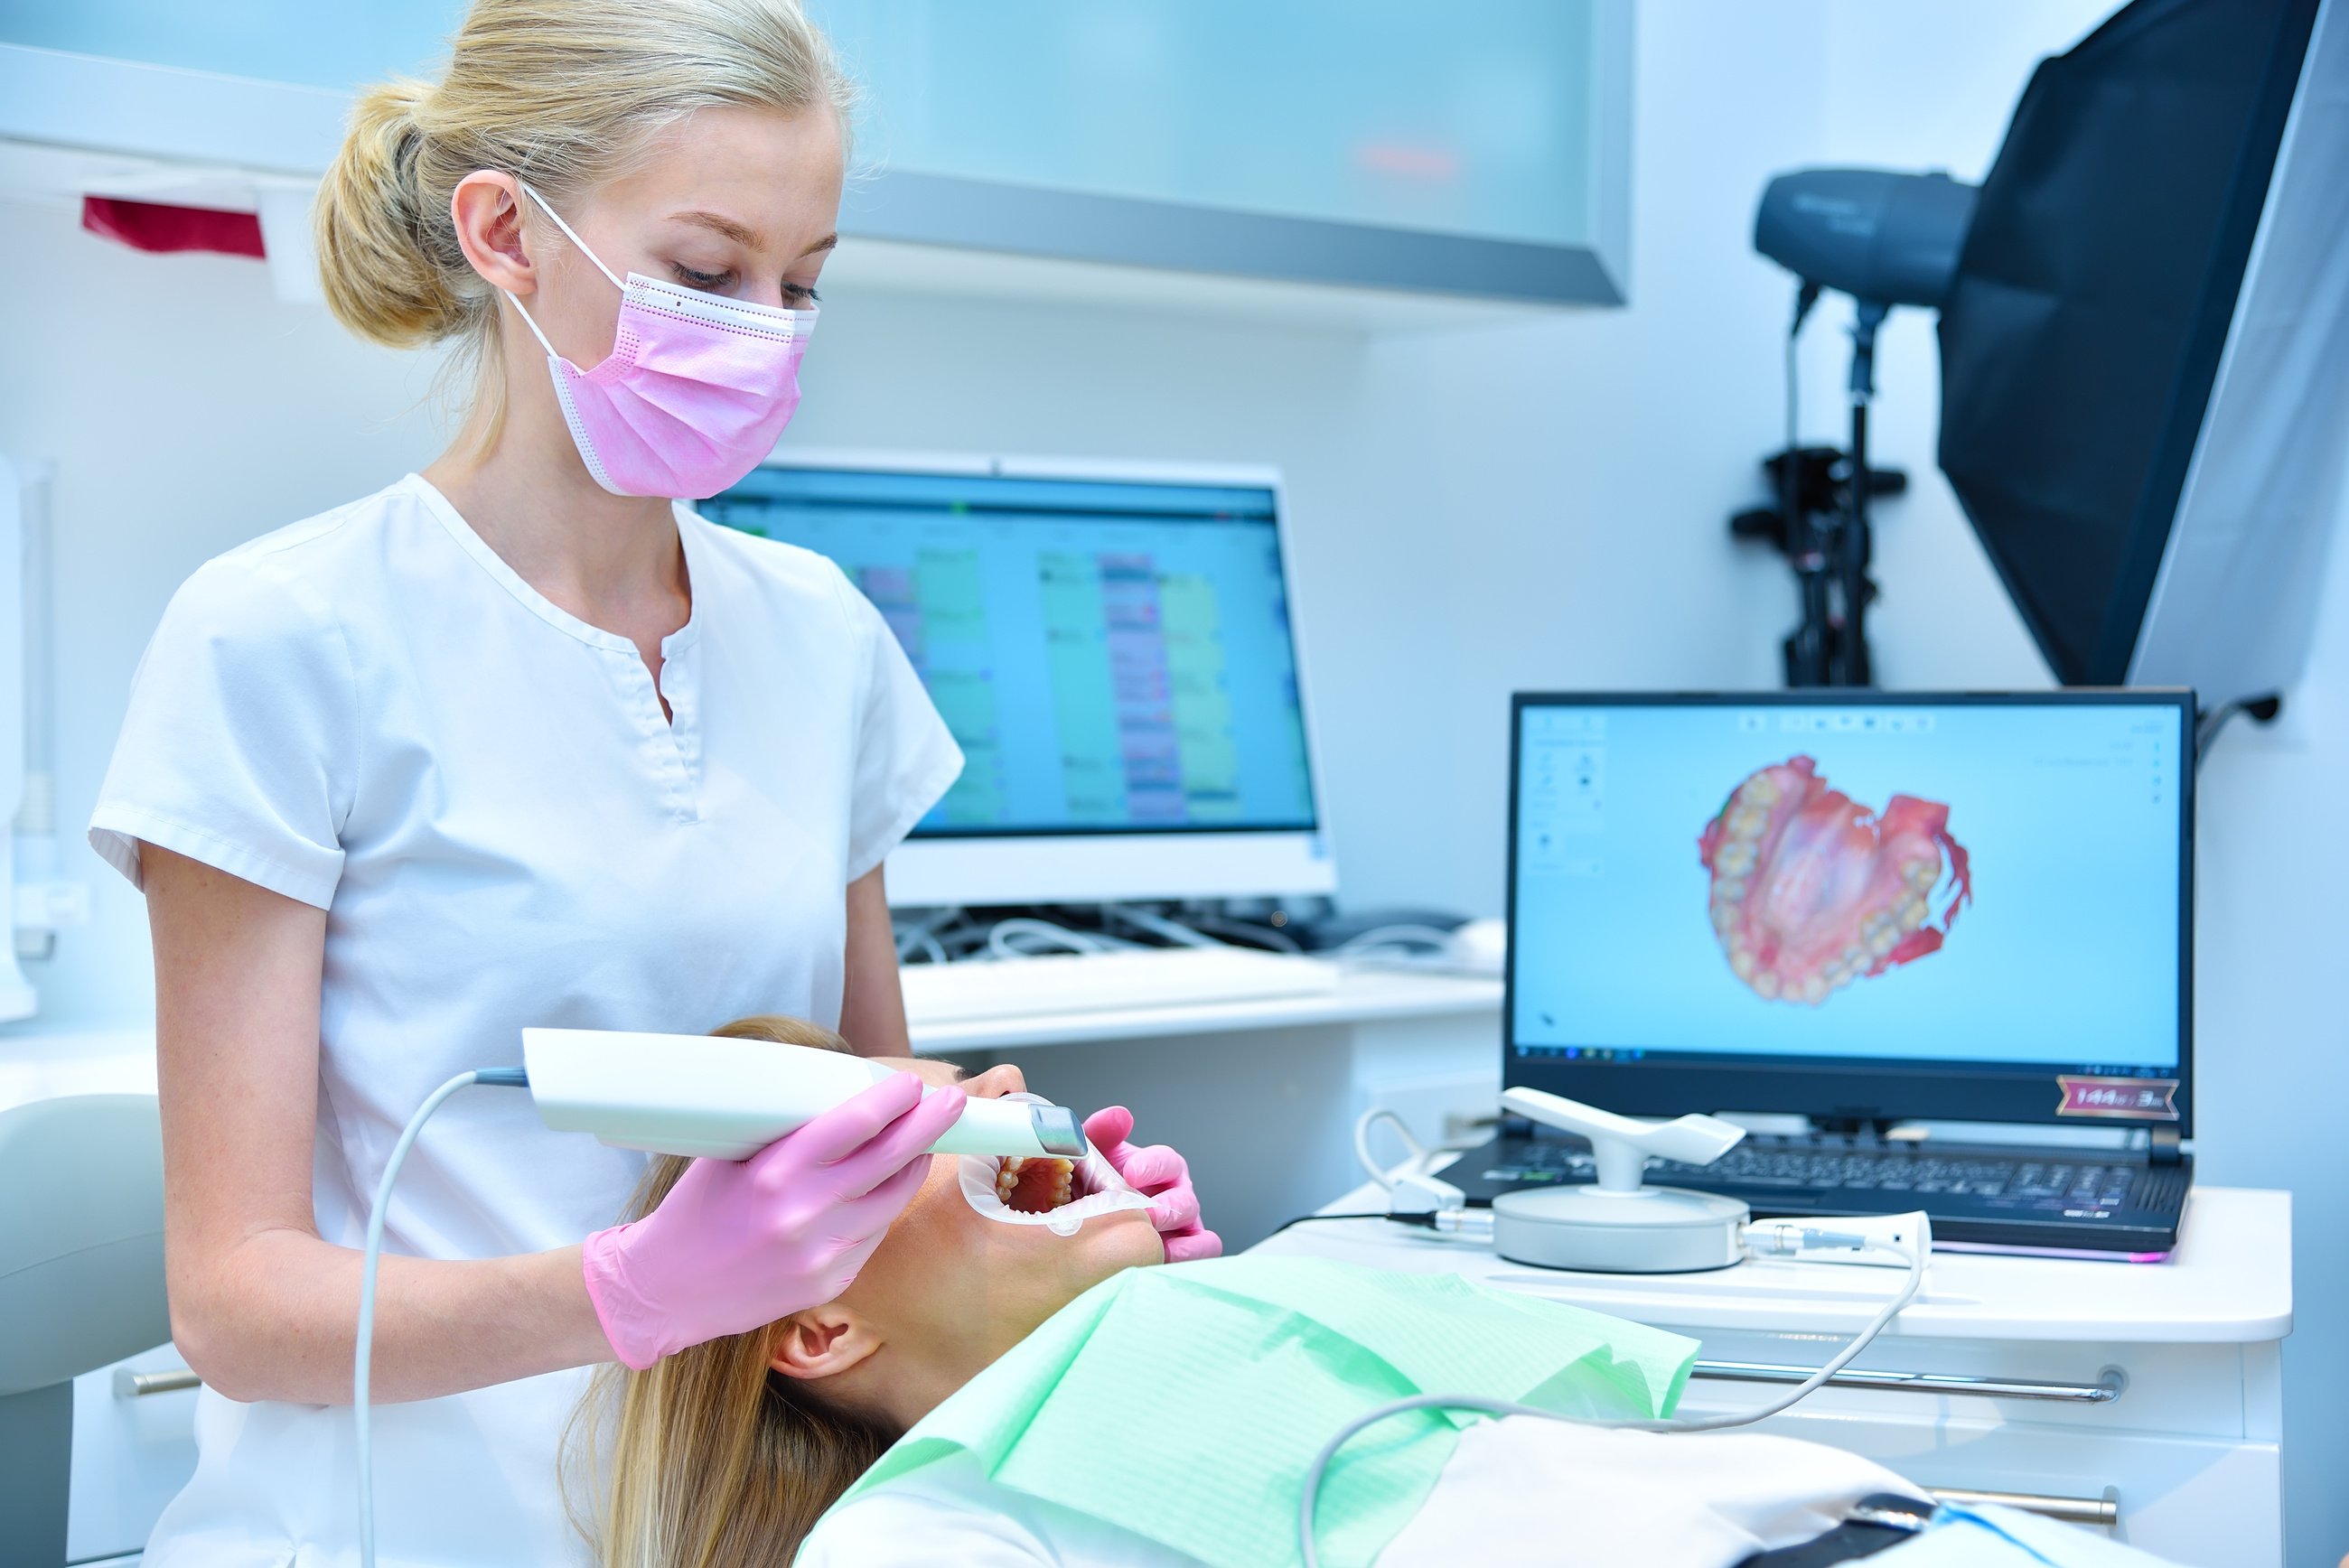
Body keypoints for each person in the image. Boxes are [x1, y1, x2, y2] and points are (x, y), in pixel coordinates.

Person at [88, 5, 1212, 1561]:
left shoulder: (819, 635)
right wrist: (632, 1288)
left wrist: (1053, 1205)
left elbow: (891, 1136)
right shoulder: (285, 636)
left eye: (802, 281)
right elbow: (237, 1310)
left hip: (735, 1526)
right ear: (506, 234)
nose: (766, 323)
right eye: (705, 271)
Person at [576, 1017, 2201, 1568]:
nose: (991, 1085)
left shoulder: (1189, 1352)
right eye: (892, 1131)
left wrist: (1190, 1321)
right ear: (813, 1320)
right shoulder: (911, 1537)